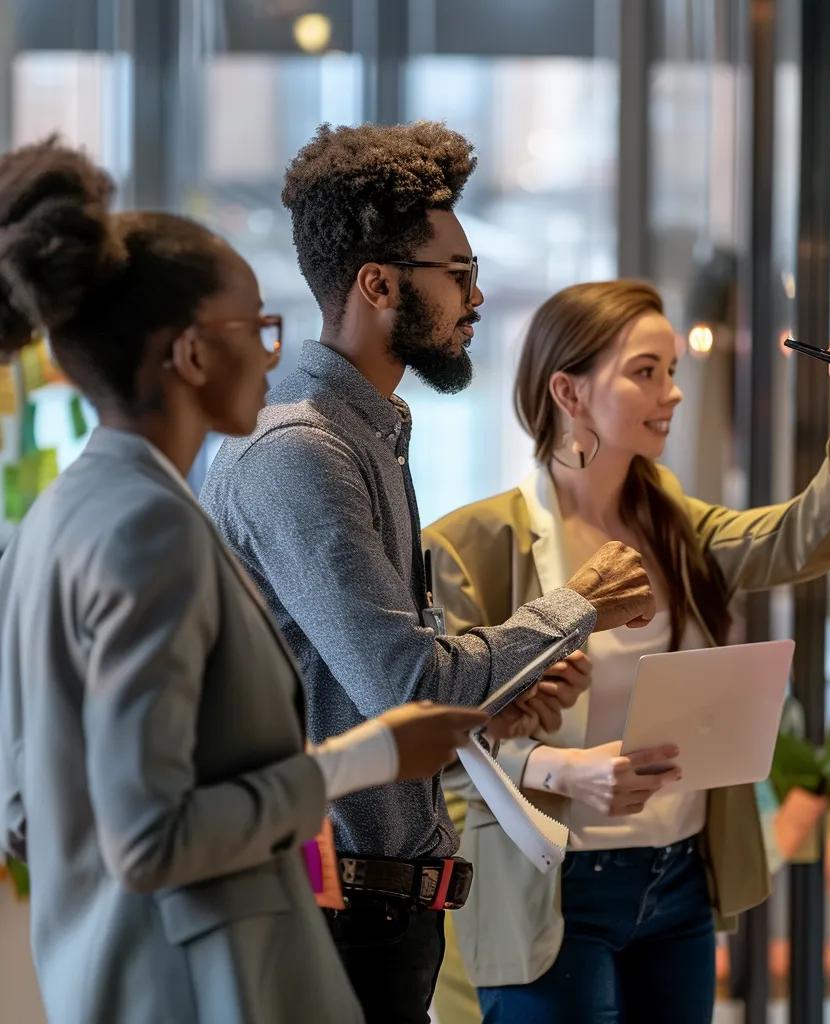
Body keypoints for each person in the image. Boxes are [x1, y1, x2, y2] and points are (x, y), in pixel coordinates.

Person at [0, 138, 489, 1024]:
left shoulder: (59, 515)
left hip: (105, 971)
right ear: (188, 354)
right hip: (187, 982)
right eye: (259, 330)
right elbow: (151, 836)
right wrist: (368, 755)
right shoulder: (149, 527)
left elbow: (27, 808)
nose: (277, 359)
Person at [199, 122, 656, 1023]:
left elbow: (382, 678)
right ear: (378, 283)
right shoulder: (303, 452)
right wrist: (578, 605)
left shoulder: (368, 435)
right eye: (459, 273)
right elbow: (402, 682)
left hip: (374, 912)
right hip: (331, 917)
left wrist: (489, 705)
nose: (477, 297)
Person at [423, 279, 830, 1024]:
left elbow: (805, 535)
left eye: (672, 371)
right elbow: (438, 740)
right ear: (569, 393)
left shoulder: (675, 524)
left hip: (678, 880)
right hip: (550, 888)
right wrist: (561, 771)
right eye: (646, 372)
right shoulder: (471, 546)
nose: (671, 393)